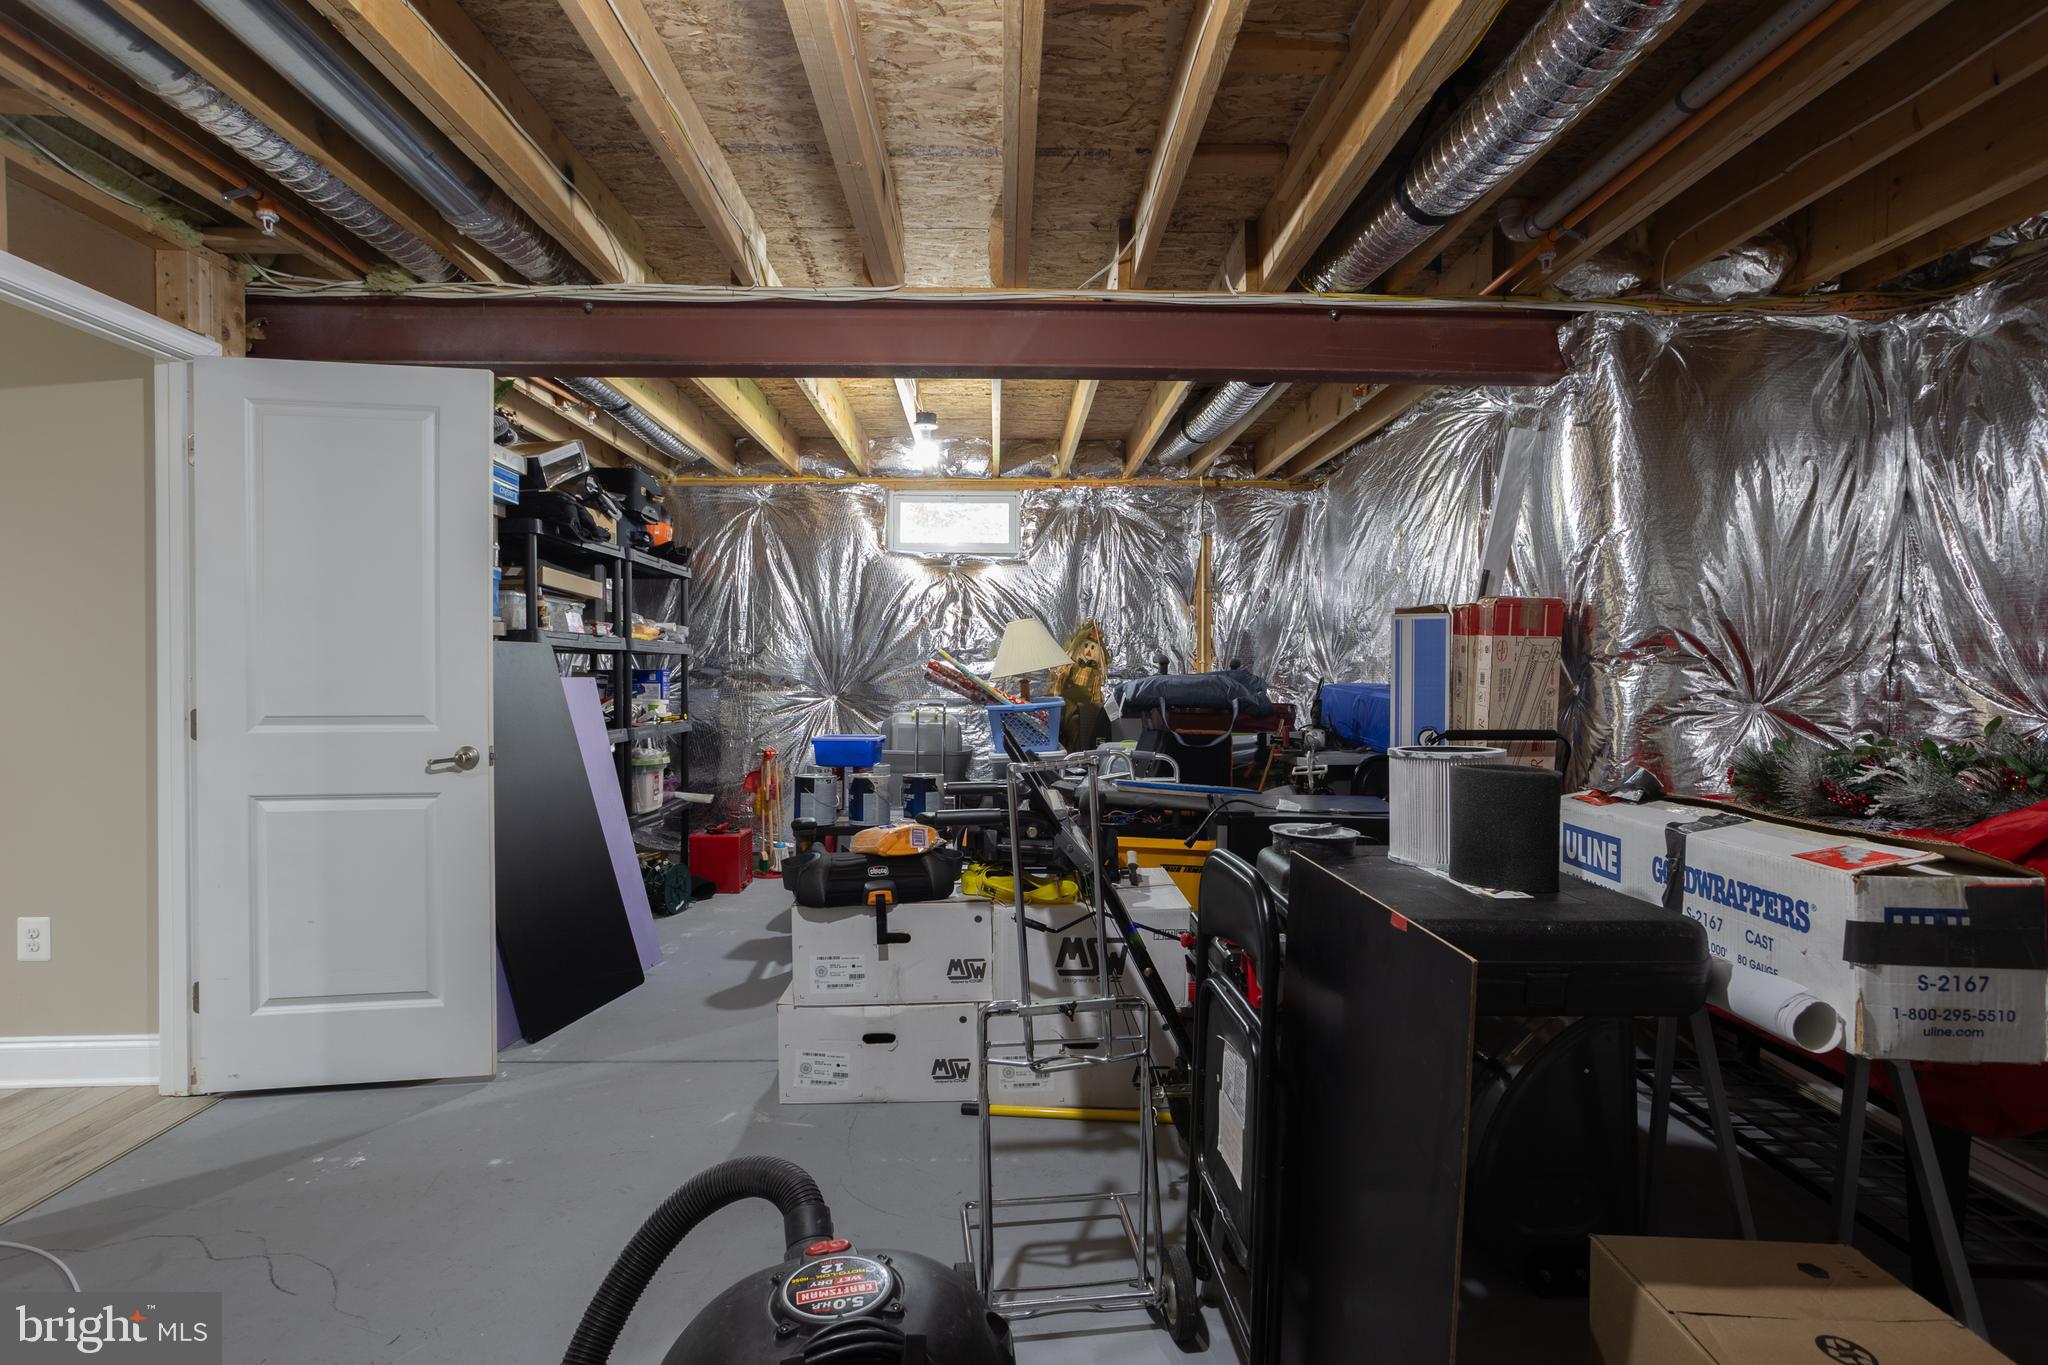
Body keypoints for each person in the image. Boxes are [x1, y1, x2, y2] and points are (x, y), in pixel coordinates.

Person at [1048, 619, 1111, 752]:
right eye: (1086, 646)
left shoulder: (1096, 675)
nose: (1088, 651)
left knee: (1078, 725)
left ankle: (1074, 752)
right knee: (1063, 722)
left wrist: (1096, 708)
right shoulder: (1070, 667)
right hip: (1067, 703)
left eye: (1092, 648)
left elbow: (1095, 694)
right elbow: (1059, 683)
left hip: (1084, 708)